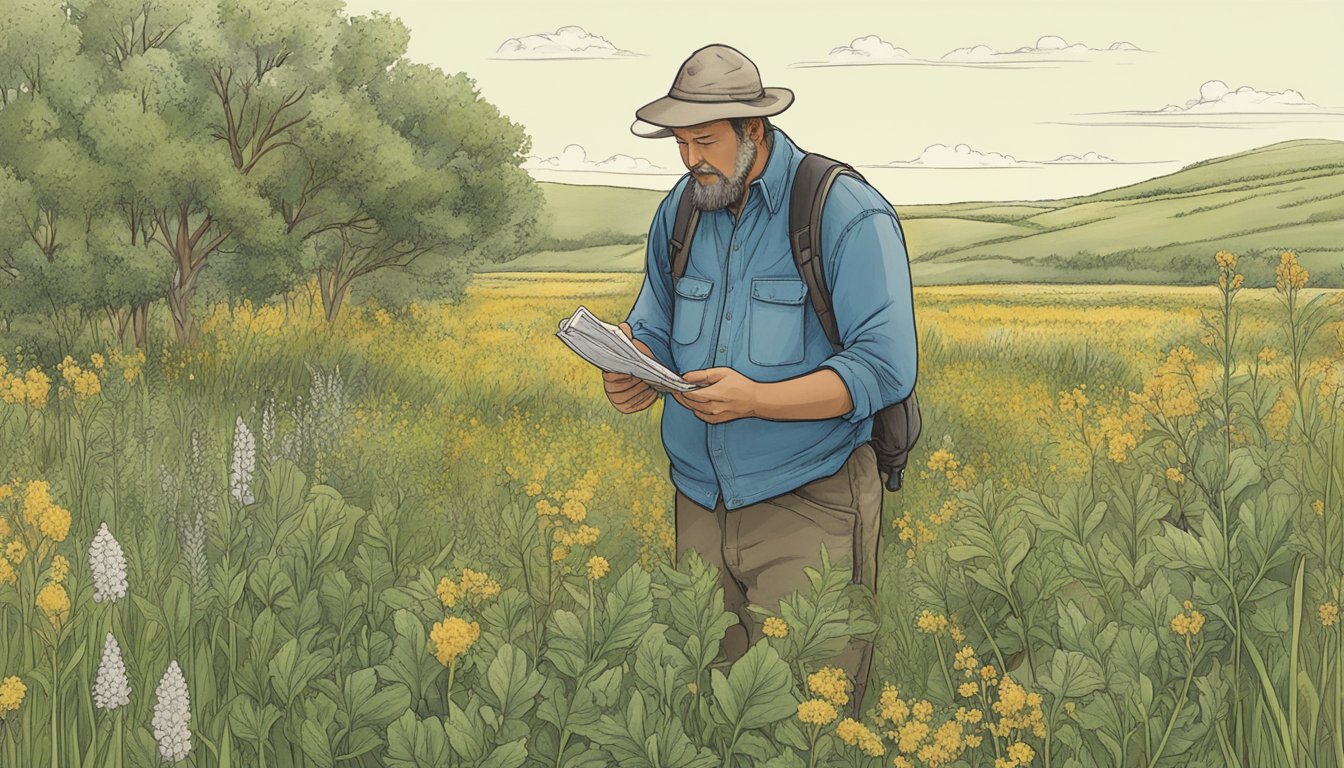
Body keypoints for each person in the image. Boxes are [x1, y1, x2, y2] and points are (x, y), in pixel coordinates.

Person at [603, 43, 917, 717]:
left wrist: (757, 401)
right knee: (713, 716)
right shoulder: (682, 212)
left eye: (705, 141)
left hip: (811, 505)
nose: (691, 160)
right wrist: (631, 365)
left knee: (810, 718)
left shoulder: (845, 211)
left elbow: (886, 367)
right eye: (681, 143)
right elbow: (654, 324)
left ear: (755, 130)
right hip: (698, 507)